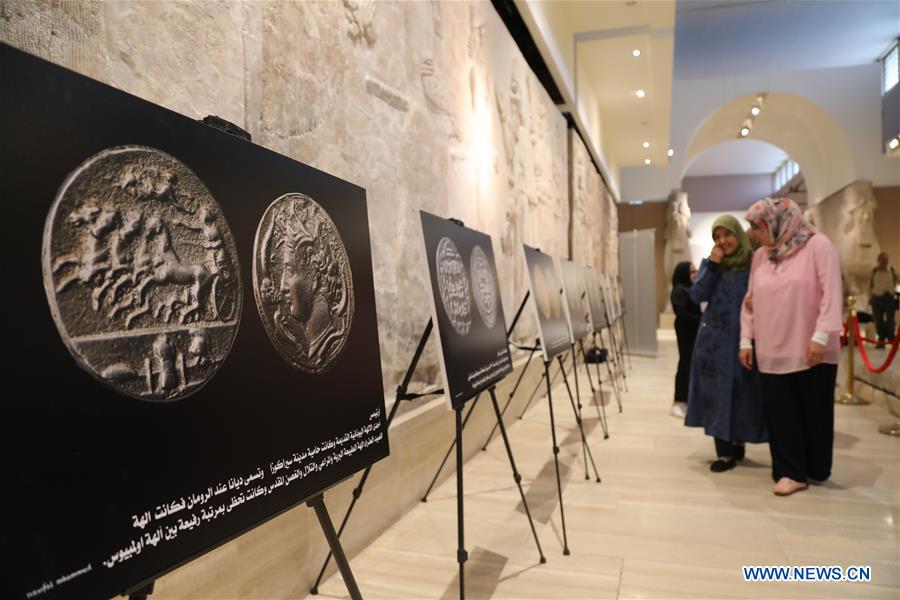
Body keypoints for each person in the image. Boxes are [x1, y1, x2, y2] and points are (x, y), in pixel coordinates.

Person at [740, 197, 842, 497]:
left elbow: (832, 293)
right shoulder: (761, 256)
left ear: (776, 223)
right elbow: (749, 301)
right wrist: (746, 339)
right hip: (772, 347)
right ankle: (790, 471)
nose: (753, 234)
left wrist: (821, 337)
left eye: (756, 227)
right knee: (780, 413)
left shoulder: (818, 246)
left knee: (815, 412)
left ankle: (815, 468)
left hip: (811, 347)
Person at [685, 216, 765, 472]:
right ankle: (724, 453)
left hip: (746, 340)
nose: (722, 241)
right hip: (714, 344)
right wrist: (712, 265)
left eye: (727, 235)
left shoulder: (754, 264)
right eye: (717, 237)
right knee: (717, 394)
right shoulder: (711, 265)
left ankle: (738, 440)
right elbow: (697, 295)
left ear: (737, 235)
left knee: (744, 392)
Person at [670, 261, 699, 418]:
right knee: (685, 364)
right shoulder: (680, 290)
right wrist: (700, 319)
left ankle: (687, 400)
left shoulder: (690, 288)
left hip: (691, 330)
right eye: (692, 272)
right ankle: (679, 401)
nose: (695, 274)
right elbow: (681, 313)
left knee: (689, 364)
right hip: (685, 330)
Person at [869, 252, 899, 348]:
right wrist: (869, 298)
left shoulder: (892, 270)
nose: (884, 261)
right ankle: (881, 340)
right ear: (878, 260)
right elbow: (870, 285)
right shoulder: (874, 271)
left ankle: (891, 338)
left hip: (889, 298)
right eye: (882, 259)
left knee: (890, 320)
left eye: (886, 259)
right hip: (877, 298)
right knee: (878, 320)